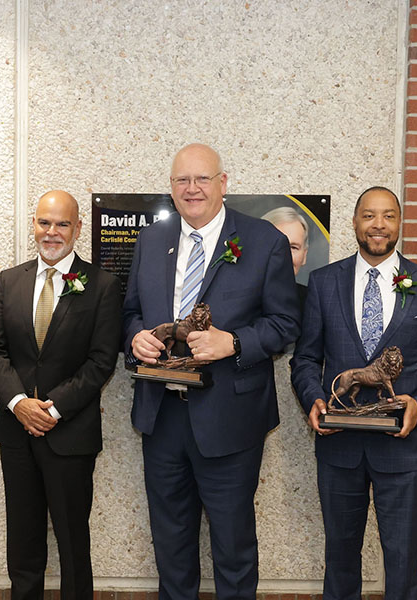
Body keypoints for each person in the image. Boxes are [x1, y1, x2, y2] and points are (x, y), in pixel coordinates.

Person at [122, 143, 300, 600]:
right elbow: (131, 313)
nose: (192, 188)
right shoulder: (150, 240)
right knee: (171, 545)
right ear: (171, 188)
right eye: (183, 180)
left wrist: (234, 342)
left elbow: (285, 323)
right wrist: (136, 337)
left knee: (233, 546)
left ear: (224, 183)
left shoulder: (264, 242)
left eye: (203, 179)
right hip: (162, 418)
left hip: (230, 418)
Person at [290, 186, 417, 600]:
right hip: (339, 448)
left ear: (399, 224)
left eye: (388, 216)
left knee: (402, 564)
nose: (378, 225)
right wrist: (313, 399)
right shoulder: (323, 283)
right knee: (340, 560)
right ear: (354, 223)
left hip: (402, 452)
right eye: (369, 215)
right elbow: (304, 359)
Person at [0, 190, 122, 600]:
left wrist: (53, 409)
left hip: (70, 436)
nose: (52, 232)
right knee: (23, 544)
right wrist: (19, 404)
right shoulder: (11, 280)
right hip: (16, 434)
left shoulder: (102, 286)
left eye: (62, 224)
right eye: (45, 222)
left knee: (73, 544)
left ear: (78, 228)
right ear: (34, 226)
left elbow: (100, 363)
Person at [261, 206, 310, 305]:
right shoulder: (238, 299)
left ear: (304, 255)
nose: (286, 255)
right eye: (277, 245)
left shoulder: (312, 301)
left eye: (294, 247)